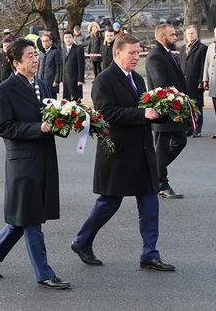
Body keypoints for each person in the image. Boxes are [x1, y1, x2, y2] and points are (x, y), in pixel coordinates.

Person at [70, 33, 175, 272]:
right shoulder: (104, 80)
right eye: (132, 53)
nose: (136, 57)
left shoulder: (137, 78)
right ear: (117, 53)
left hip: (142, 152)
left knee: (149, 202)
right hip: (118, 153)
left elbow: (148, 110)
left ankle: (150, 253)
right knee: (109, 203)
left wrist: (165, 110)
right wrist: (142, 114)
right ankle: (81, 241)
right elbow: (106, 113)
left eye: (138, 53)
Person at [0, 38, 70, 290]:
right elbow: (4, 127)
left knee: (26, 215)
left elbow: (54, 116)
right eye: (30, 55)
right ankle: (44, 273)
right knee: (32, 219)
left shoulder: (42, 85)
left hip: (45, 159)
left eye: (36, 54)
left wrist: (69, 121)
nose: (35, 59)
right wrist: (38, 127)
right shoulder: (3, 91)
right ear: (16, 62)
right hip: (22, 163)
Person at [145, 23, 186, 199]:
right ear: (162, 37)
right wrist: (172, 106)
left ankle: (152, 172)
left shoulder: (165, 53)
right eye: (172, 34)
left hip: (173, 109)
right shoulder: (156, 56)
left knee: (180, 141)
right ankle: (161, 182)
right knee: (161, 149)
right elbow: (161, 86)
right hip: (164, 111)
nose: (175, 37)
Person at [179, 25, 207, 138]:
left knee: (197, 107)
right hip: (184, 83)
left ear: (196, 34)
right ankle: (188, 128)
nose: (190, 35)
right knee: (185, 107)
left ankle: (197, 129)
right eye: (189, 33)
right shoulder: (182, 49)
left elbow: (203, 66)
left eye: (192, 33)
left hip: (195, 83)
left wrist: (202, 80)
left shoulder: (202, 48)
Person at [60, 30, 85, 101]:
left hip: (75, 79)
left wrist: (80, 79)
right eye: (66, 37)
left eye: (69, 37)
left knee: (76, 100)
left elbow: (81, 65)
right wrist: (61, 79)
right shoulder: (63, 50)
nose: (68, 39)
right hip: (66, 79)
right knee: (67, 100)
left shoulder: (78, 49)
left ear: (73, 38)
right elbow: (62, 65)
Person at [38, 34, 61, 99]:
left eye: (46, 41)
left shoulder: (55, 52)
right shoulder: (41, 53)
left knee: (51, 103)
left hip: (51, 82)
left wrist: (56, 81)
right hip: (41, 81)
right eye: (43, 41)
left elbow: (58, 67)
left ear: (51, 41)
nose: (45, 43)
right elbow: (38, 67)